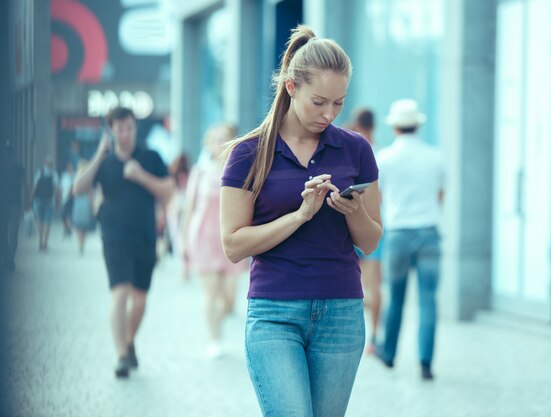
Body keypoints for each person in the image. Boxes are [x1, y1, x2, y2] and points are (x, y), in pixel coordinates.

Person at [220, 25, 382, 416]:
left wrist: (354, 210)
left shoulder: (356, 150)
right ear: (291, 87)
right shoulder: (248, 154)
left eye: (339, 104)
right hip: (274, 312)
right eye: (319, 102)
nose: (329, 114)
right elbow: (233, 245)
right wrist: (299, 215)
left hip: (341, 312)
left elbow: (372, 241)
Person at [73, 106, 175, 378]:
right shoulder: (104, 163)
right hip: (113, 237)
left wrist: (140, 175)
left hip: (144, 237)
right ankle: (120, 356)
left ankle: (128, 342)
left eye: (129, 127)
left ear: (134, 127)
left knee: (140, 299)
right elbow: (78, 188)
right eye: (119, 128)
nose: (125, 133)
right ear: (111, 130)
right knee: (119, 293)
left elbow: (169, 191)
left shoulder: (150, 157)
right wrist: (98, 154)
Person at [374, 98, 445, 381]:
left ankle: (389, 353)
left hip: (398, 233)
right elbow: (441, 196)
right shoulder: (435, 156)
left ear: (395, 128)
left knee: (396, 297)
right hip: (429, 232)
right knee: (429, 299)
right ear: (417, 125)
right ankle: (426, 362)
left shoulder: (385, 158)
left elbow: (377, 198)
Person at [181, 123, 246, 358]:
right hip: (203, 238)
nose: (219, 143)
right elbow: (189, 209)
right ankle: (214, 338)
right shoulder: (199, 172)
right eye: (215, 139)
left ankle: (218, 327)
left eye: (224, 138)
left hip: (229, 239)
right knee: (211, 293)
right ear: (208, 144)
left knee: (229, 299)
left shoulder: (239, 170)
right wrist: (183, 243)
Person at [348, 107, 382, 354]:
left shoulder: (351, 148)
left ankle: (361, 332)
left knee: (357, 283)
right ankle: (373, 335)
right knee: (373, 284)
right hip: (377, 223)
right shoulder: (377, 151)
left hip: (352, 221)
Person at [0, 143, 28, 272]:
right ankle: (7, 258)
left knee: (11, 233)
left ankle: (9, 258)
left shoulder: (19, 167)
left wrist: (27, 202)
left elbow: (25, 185)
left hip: (13, 204)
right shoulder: (11, 167)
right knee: (8, 233)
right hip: (9, 204)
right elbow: (26, 186)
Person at [31, 155, 60, 252]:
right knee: (47, 223)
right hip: (49, 202)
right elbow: (56, 191)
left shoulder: (39, 172)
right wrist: (57, 204)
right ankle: (45, 243)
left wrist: (30, 200)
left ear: (45, 163)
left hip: (38, 200)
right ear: (52, 164)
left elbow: (34, 187)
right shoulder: (54, 174)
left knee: (39, 222)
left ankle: (40, 241)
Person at [71, 159, 96, 255]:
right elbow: (91, 192)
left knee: (79, 225)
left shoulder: (76, 177)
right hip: (86, 202)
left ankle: (80, 244)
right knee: (84, 225)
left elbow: (73, 191)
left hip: (78, 202)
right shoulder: (88, 178)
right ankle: (82, 244)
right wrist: (92, 204)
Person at [60, 161, 75, 238]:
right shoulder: (64, 176)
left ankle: (69, 230)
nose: (70, 168)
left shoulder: (74, 175)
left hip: (72, 198)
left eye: (71, 167)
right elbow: (61, 188)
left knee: (69, 215)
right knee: (63, 215)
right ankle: (67, 229)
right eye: (69, 167)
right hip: (64, 198)